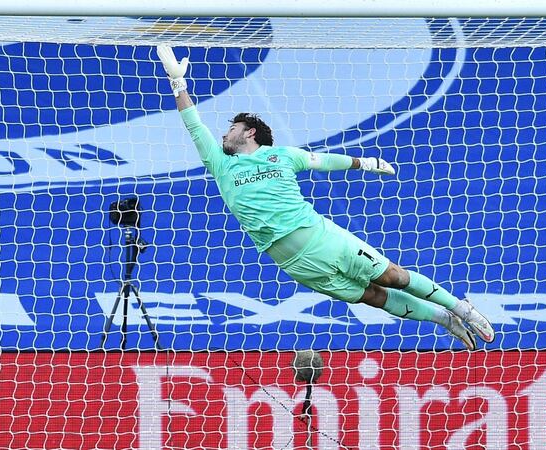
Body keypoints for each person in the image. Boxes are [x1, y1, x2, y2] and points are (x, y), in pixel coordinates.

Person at [156, 45, 495, 350]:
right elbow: (194, 126)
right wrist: (177, 83)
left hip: (321, 238)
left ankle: (460, 308)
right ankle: (442, 319)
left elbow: (323, 161)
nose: (223, 134)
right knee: (374, 298)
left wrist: (367, 163)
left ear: (250, 132)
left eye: (231, 129)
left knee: (392, 277)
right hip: (294, 263)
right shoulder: (221, 165)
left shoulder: (282, 155)